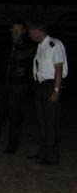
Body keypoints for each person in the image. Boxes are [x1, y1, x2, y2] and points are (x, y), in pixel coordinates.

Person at [0, 20, 35, 153]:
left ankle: (11, 147)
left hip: (18, 86)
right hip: (2, 85)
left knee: (15, 117)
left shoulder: (30, 48)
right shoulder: (4, 45)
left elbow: (32, 68)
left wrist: (26, 84)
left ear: (23, 31)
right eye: (13, 29)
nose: (15, 32)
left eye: (18, 30)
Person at [29, 21, 68, 165]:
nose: (30, 35)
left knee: (51, 121)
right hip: (40, 85)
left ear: (38, 30)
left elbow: (58, 68)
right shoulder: (41, 46)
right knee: (42, 121)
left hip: (51, 85)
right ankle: (43, 153)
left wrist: (56, 90)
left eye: (31, 32)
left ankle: (52, 156)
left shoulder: (54, 44)